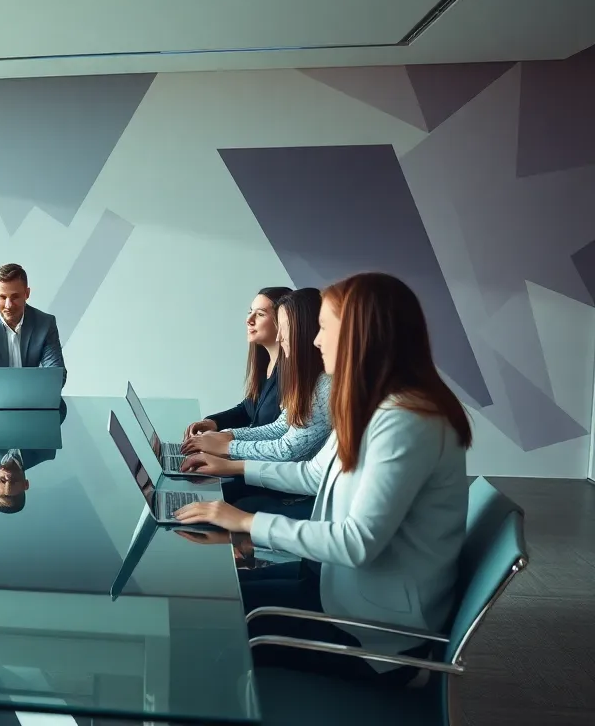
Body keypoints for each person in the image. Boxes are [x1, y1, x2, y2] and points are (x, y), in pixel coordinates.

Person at [173, 272, 472, 684]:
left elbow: (356, 543)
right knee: (207, 592)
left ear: (360, 336)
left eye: (325, 328)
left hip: (372, 634)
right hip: (336, 587)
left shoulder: (406, 421)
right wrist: (235, 506)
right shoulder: (376, 405)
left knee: (201, 620)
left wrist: (245, 521)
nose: (314, 341)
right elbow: (314, 475)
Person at [181, 288, 332, 518]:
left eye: (284, 328)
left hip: (296, 493)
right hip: (287, 480)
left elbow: (287, 450)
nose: (280, 338)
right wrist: (226, 436)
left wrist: (228, 447)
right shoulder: (312, 380)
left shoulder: (323, 385)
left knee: (216, 501)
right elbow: (279, 427)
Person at [183, 287, 291, 440]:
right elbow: (247, 410)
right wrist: (213, 422)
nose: (249, 320)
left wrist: (225, 440)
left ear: (282, 320)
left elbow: (278, 433)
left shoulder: (293, 375)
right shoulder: (265, 366)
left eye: (260, 314)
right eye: (250, 312)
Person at [0, 263, 66, 396]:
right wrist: (13, 390)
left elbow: (57, 375)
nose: (8, 305)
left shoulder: (45, 323)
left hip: (32, 402)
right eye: (2, 297)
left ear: (27, 294)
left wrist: (17, 390)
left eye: (15, 297)